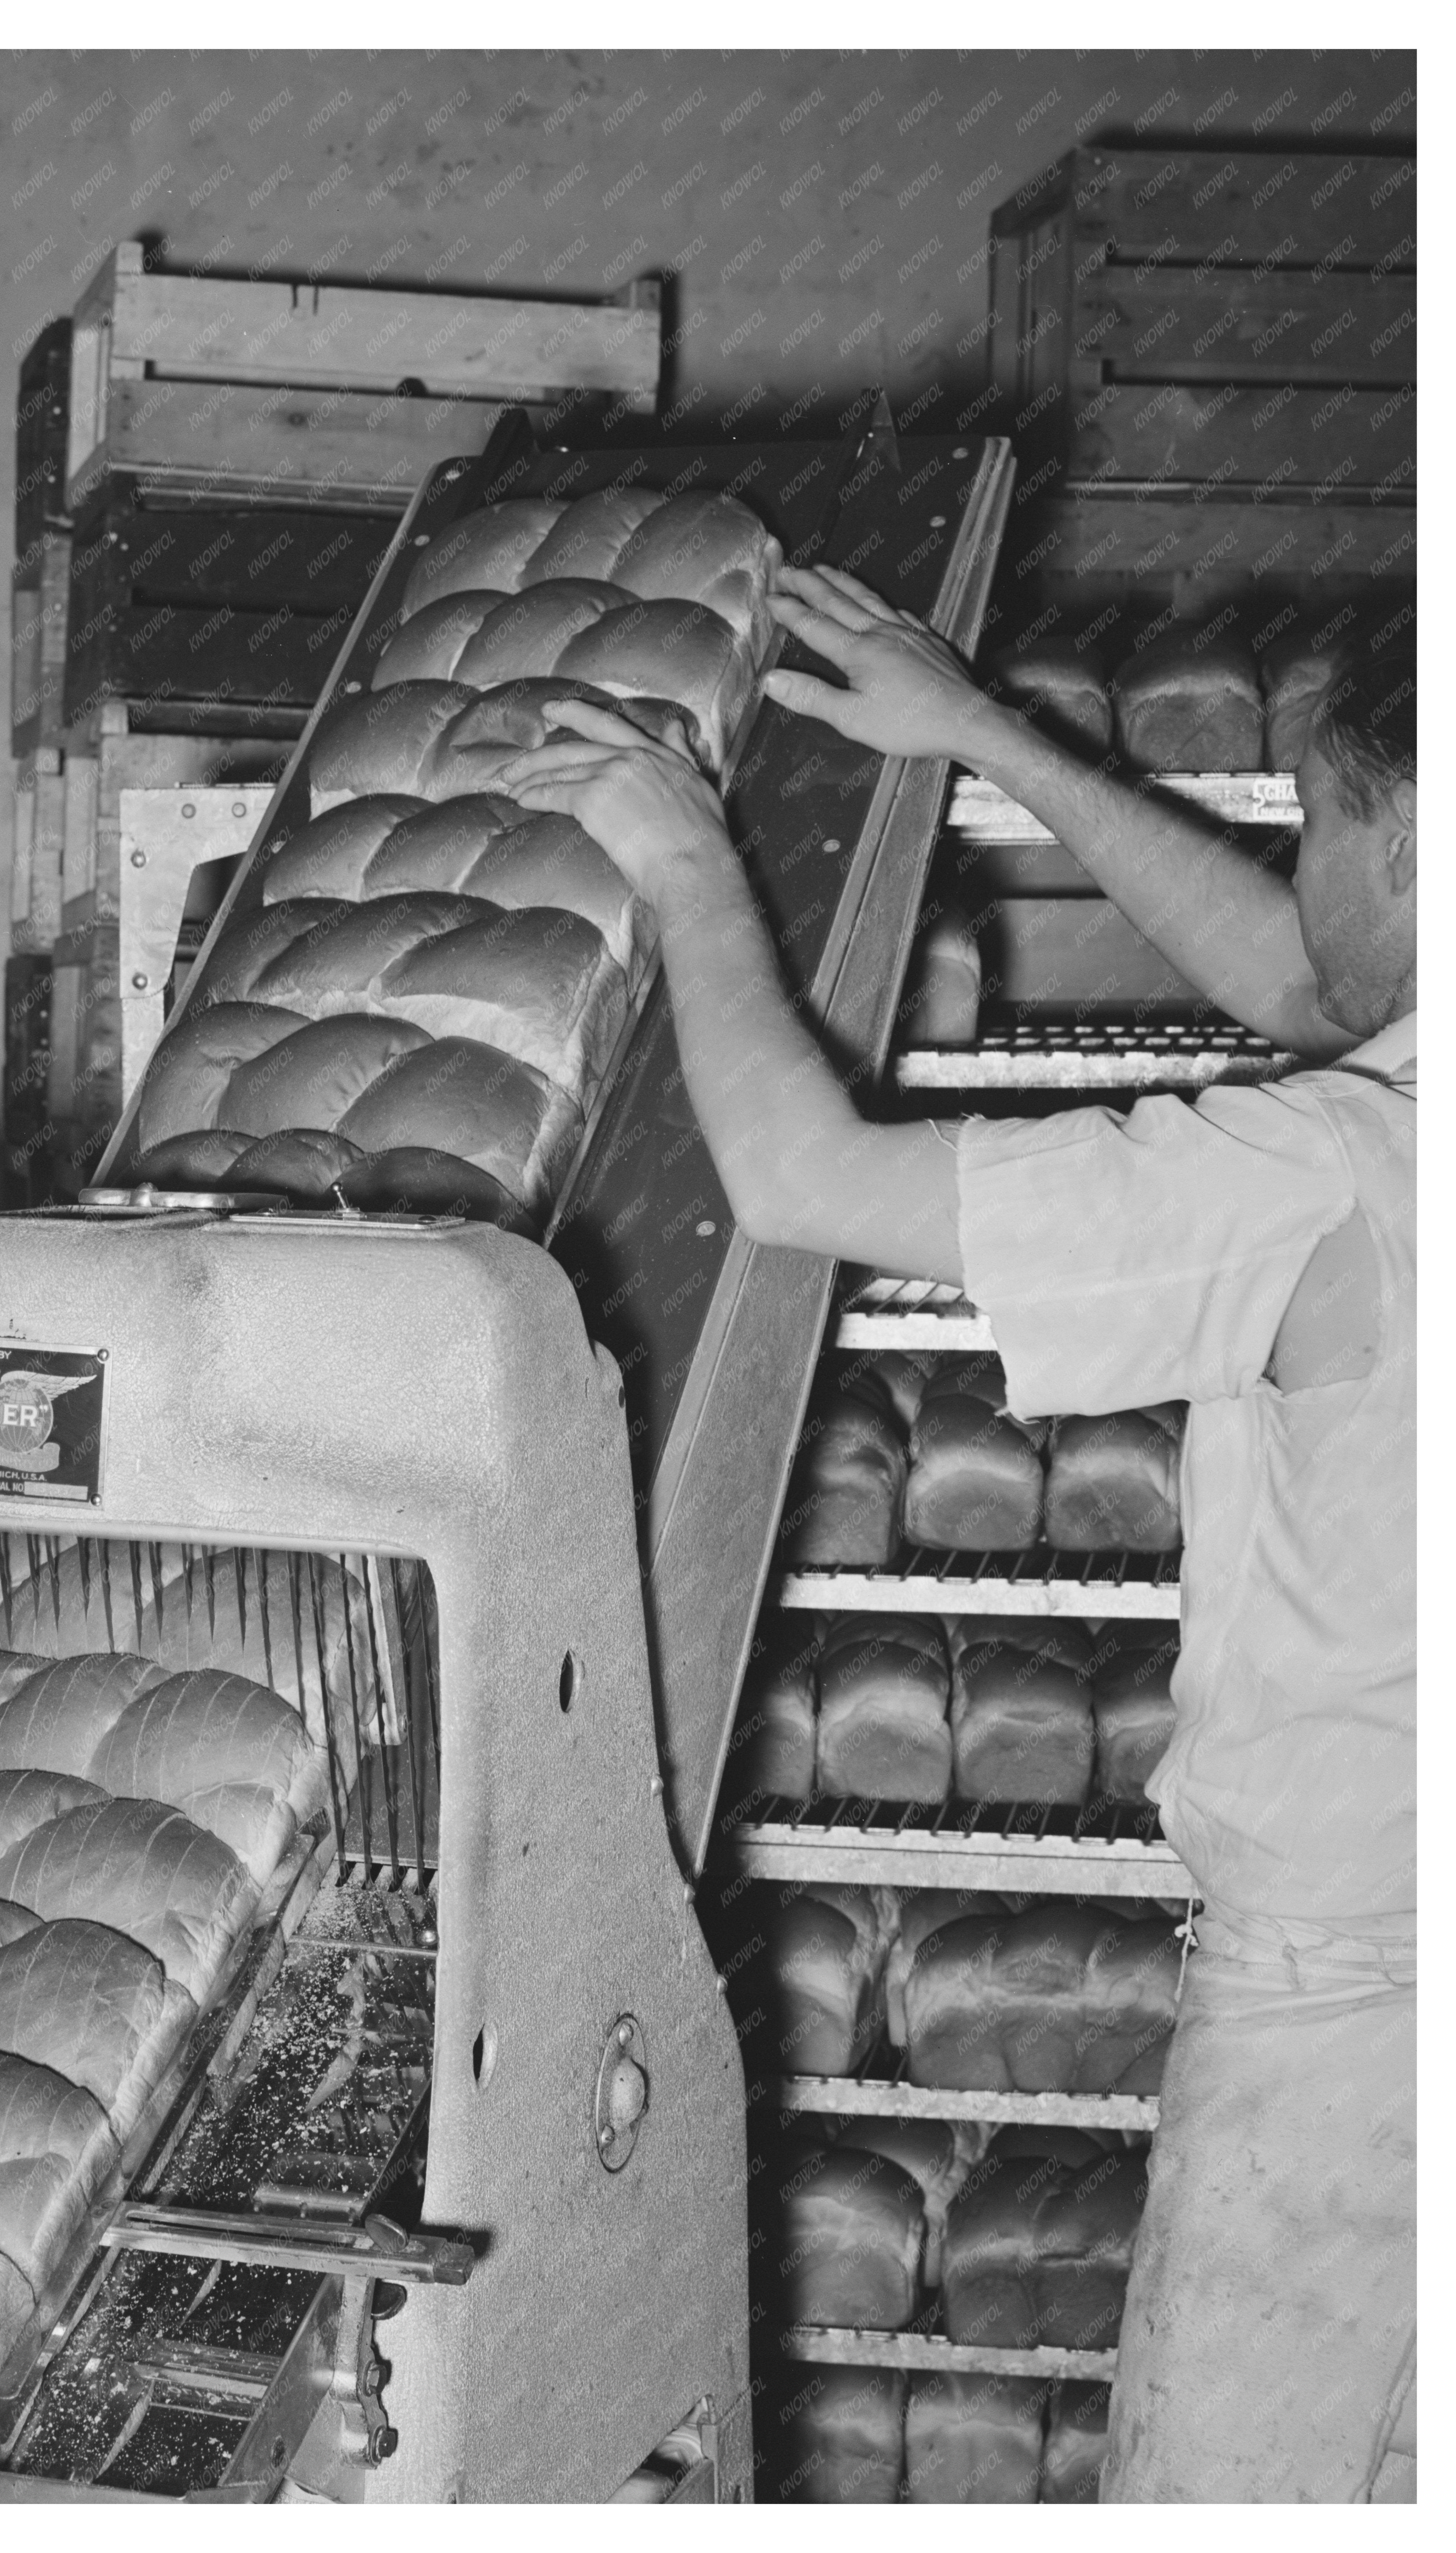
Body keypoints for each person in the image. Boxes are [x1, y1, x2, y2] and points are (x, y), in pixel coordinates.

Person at [498, 565, 1416, 2505]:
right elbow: (1317, 982)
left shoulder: (1329, 1173)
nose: (1305, 864)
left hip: (1359, 2022)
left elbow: (797, 1176)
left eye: (1324, 820)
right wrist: (988, 734)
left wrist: (687, 867)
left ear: (1413, 840)